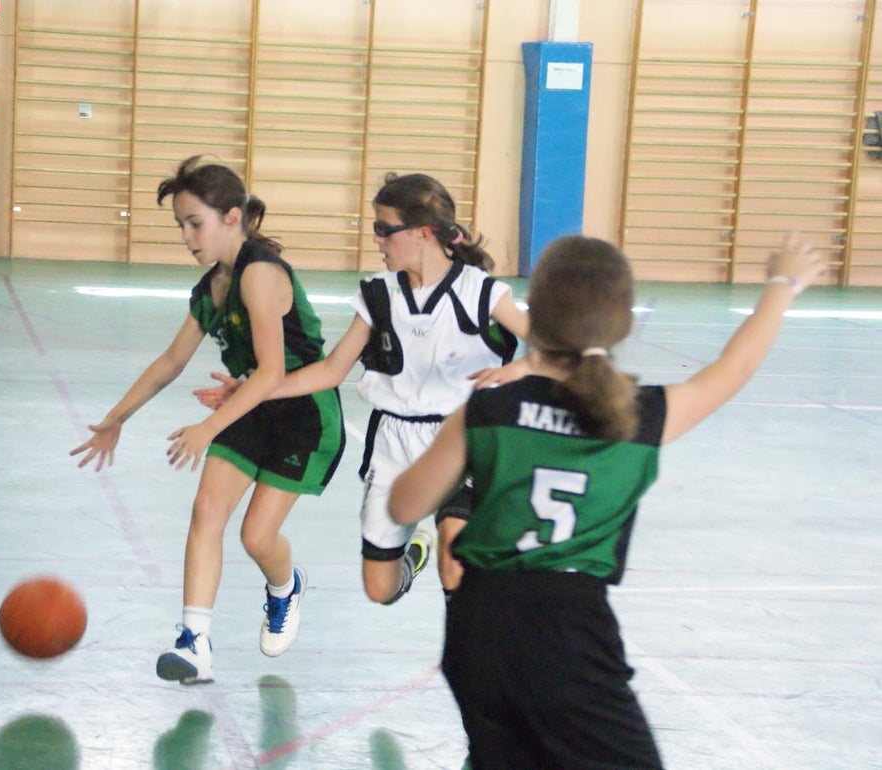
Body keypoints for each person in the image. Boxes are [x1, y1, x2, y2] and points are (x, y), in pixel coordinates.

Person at [388, 232, 827, 768]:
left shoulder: (490, 409)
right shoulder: (641, 415)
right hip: (569, 629)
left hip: (479, 624)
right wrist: (783, 285)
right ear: (622, 324)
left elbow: (404, 507)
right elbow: (732, 369)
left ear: (536, 317)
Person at [70, 156, 345, 684]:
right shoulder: (209, 289)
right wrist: (115, 419)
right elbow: (172, 361)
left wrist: (207, 429)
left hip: (301, 415)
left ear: (233, 218)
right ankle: (194, 642)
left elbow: (269, 374)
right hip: (248, 403)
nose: (186, 236)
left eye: (194, 223)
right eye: (180, 225)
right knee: (206, 510)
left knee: (256, 537)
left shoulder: (261, 274)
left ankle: (286, 587)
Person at [196, 172, 528, 607]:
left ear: (423, 234)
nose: (377, 240)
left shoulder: (480, 292)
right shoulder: (378, 295)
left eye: (384, 230)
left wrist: (519, 371)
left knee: (456, 554)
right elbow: (332, 369)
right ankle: (413, 557)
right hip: (393, 442)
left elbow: (553, 346)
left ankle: (470, 656)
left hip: (458, 437)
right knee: (380, 589)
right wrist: (251, 393)